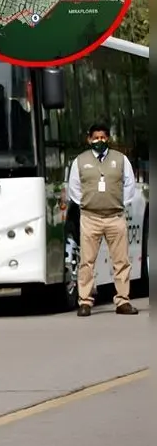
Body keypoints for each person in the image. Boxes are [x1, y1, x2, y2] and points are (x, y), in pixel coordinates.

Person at [66, 123, 139, 317]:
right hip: (90, 218)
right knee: (87, 262)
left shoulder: (120, 160)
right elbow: (74, 187)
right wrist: (88, 203)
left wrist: (117, 203)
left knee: (121, 261)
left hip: (115, 217)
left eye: (103, 137)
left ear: (108, 139)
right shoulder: (80, 161)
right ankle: (85, 302)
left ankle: (123, 301)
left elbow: (129, 185)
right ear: (89, 139)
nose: (100, 141)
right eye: (96, 137)